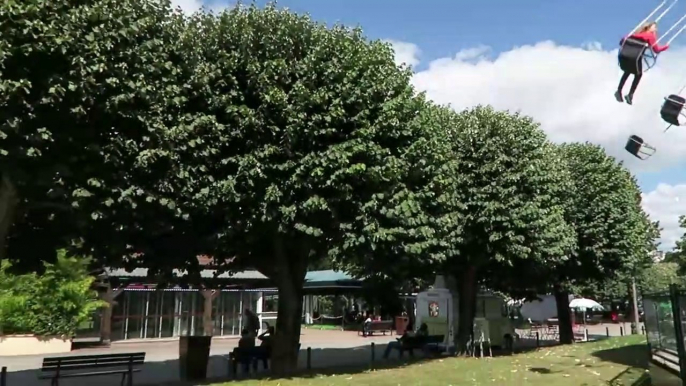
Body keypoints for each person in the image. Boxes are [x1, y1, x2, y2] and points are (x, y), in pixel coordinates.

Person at [616, 22, 670, 105]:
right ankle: (630, 94)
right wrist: (666, 46)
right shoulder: (650, 36)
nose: (656, 29)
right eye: (654, 27)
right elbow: (656, 50)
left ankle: (619, 90)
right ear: (649, 28)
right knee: (638, 75)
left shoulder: (634, 34)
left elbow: (622, 42)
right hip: (635, 57)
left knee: (627, 71)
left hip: (624, 55)